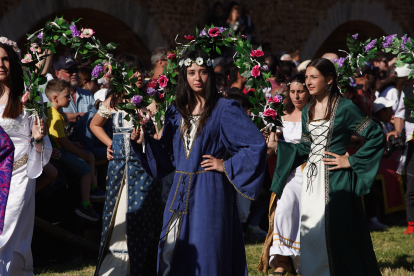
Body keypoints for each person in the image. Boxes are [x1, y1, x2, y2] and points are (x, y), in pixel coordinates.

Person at [130, 50, 267, 275]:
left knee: (207, 249)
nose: (197, 78)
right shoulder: (176, 110)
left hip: (210, 190)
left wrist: (226, 165)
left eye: (203, 72)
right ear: (184, 76)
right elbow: (167, 154)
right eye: (191, 72)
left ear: (210, 75)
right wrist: (143, 141)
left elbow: (255, 144)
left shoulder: (224, 108)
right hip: (179, 189)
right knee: (170, 247)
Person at [267, 58, 384, 275]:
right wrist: (278, 146)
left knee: (338, 236)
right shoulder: (307, 109)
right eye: (307, 77)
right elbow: (305, 147)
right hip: (311, 182)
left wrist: (351, 160)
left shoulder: (346, 108)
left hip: (336, 179)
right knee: (311, 235)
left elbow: (376, 135)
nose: (308, 82)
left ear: (329, 79)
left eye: (314, 77)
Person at [90, 54, 162, 276]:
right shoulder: (112, 100)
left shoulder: (151, 102)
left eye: (141, 70)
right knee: (116, 217)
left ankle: (136, 269)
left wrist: (148, 139)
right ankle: (115, 269)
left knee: (140, 220)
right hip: (118, 170)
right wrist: (109, 143)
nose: (139, 74)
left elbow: (160, 135)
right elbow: (95, 124)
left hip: (143, 171)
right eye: (134, 71)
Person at [0, 38, 52, 275]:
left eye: (5, 59)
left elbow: (40, 145)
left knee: (8, 231)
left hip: (18, 176)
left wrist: (39, 140)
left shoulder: (27, 98)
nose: (1, 64)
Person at [258, 74, 310, 275]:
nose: (297, 96)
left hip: (310, 171)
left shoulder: (314, 115)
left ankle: (301, 260)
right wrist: (259, 151)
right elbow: (270, 148)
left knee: (307, 215)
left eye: (301, 91)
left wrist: (279, 146)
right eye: (293, 92)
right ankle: (282, 260)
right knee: (283, 208)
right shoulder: (280, 118)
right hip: (289, 174)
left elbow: (310, 147)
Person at [45, 79, 104, 221]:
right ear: (55, 98)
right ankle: (85, 205)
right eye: (66, 96)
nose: (70, 98)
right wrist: (79, 153)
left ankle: (93, 189)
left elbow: (61, 137)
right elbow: (62, 142)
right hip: (60, 153)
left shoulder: (54, 112)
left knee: (90, 156)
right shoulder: (55, 116)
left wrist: (74, 144)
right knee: (86, 170)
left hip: (62, 147)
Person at [390, 67, 414, 235]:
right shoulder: (407, 90)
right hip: (413, 141)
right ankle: (412, 224)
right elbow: (400, 115)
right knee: (412, 184)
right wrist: (397, 132)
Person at [51, 56, 95, 122]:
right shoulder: (51, 94)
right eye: (70, 71)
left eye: (76, 70)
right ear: (57, 74)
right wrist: (87, 115)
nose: (74, 73)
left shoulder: (87, 94)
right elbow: (55, 116)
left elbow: (96, 115)